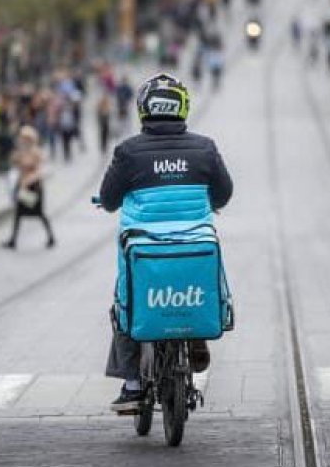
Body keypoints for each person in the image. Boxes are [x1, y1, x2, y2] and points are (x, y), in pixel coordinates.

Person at [98, 73, 233, 411]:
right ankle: (197, 333)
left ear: (143, 109)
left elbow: (109, 199)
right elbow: (225, 193)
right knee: (198, 278)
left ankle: (132, 386)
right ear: (182, 107)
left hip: (143, 249)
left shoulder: (128, 152)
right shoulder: (204, 148)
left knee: (125, 301)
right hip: (195, 243)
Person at [3, 126, 55, 249]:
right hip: (23, 187)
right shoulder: (21, 152)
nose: (22, 141)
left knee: (39, 213)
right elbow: (14, 163)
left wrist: (29, 180)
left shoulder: (36, 152)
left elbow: (39, 171)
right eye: (21, 138)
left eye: (25, 138)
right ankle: (13, 240)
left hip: (34, 188)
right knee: (19, 212)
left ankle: (51, 237)